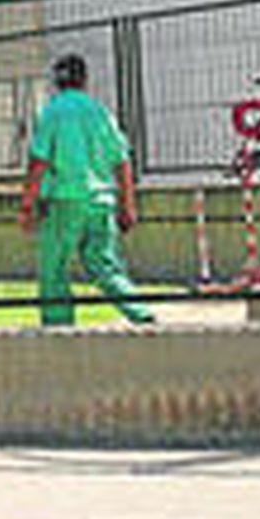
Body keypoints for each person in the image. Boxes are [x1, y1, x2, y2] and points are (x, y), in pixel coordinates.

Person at [18, 53, 155, 326]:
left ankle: (59, 330)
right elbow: (122, 161)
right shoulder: (100, 112)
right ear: (85, 80)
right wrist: (128, 204)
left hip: (64, 201)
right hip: (102, 201)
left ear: (56, 81)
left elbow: (39, 162)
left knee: (54, 269)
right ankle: (141, 313)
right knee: (104, 265)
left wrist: (27, 205)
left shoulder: (53, 111)